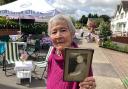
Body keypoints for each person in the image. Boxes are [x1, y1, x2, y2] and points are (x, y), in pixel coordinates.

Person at [47, 14, 96, 89]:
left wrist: (88, 87)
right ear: (50, 37)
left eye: (63, 30)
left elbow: (87, 85)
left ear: (72, 33)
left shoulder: (82, 59)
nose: (58, 35)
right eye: (54, 32)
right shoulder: (51, 58)